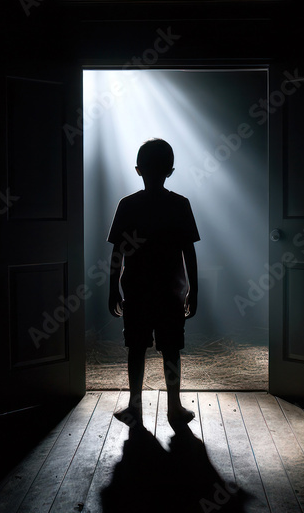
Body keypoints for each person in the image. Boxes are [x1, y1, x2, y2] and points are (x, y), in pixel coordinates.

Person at [107, 138, 199, 427]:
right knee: (171, 349)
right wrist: (193, 290)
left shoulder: (128, 205)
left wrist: (112, 289)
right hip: (170, 292)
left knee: (136, 349)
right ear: (170, 171)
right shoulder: (179, 205)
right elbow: (189, 252)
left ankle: (135, 407)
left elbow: (116, 252)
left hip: (136, 290)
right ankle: (174, 407)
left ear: (138, 170)